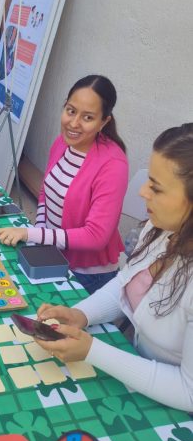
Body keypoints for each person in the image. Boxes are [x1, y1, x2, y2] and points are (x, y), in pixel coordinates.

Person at [34, 123, 193, 412]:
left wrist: (92, 350)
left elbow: (188, 392)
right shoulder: (161, 230)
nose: (142, 191)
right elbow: (125, 282)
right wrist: (81, 314)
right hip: (138, 372)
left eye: (156, 187)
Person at [0, 75, 129, 294]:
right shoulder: (62, 143)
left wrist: (31, 234)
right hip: (52, 254)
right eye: (71, 111)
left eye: (88, 117)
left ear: (104, 122)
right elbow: (45, 194)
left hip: (87, 274)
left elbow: (96, 236)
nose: (73, 123)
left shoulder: (113, 164)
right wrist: (39, 233)